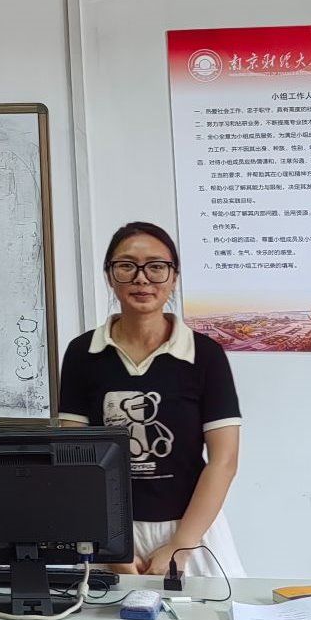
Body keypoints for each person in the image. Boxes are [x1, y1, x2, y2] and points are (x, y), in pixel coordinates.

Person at [57, 221, 244, 580]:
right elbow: (73, 459)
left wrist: (180, 545)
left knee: (211, 616)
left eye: (156, 267)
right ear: (109, 276)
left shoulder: (205, 354)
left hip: (191, 533)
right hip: (106, 533)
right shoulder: (83, 353)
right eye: (126, 266)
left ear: (174, 277)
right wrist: (109, 544)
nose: (142, 278)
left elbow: (224, 461)